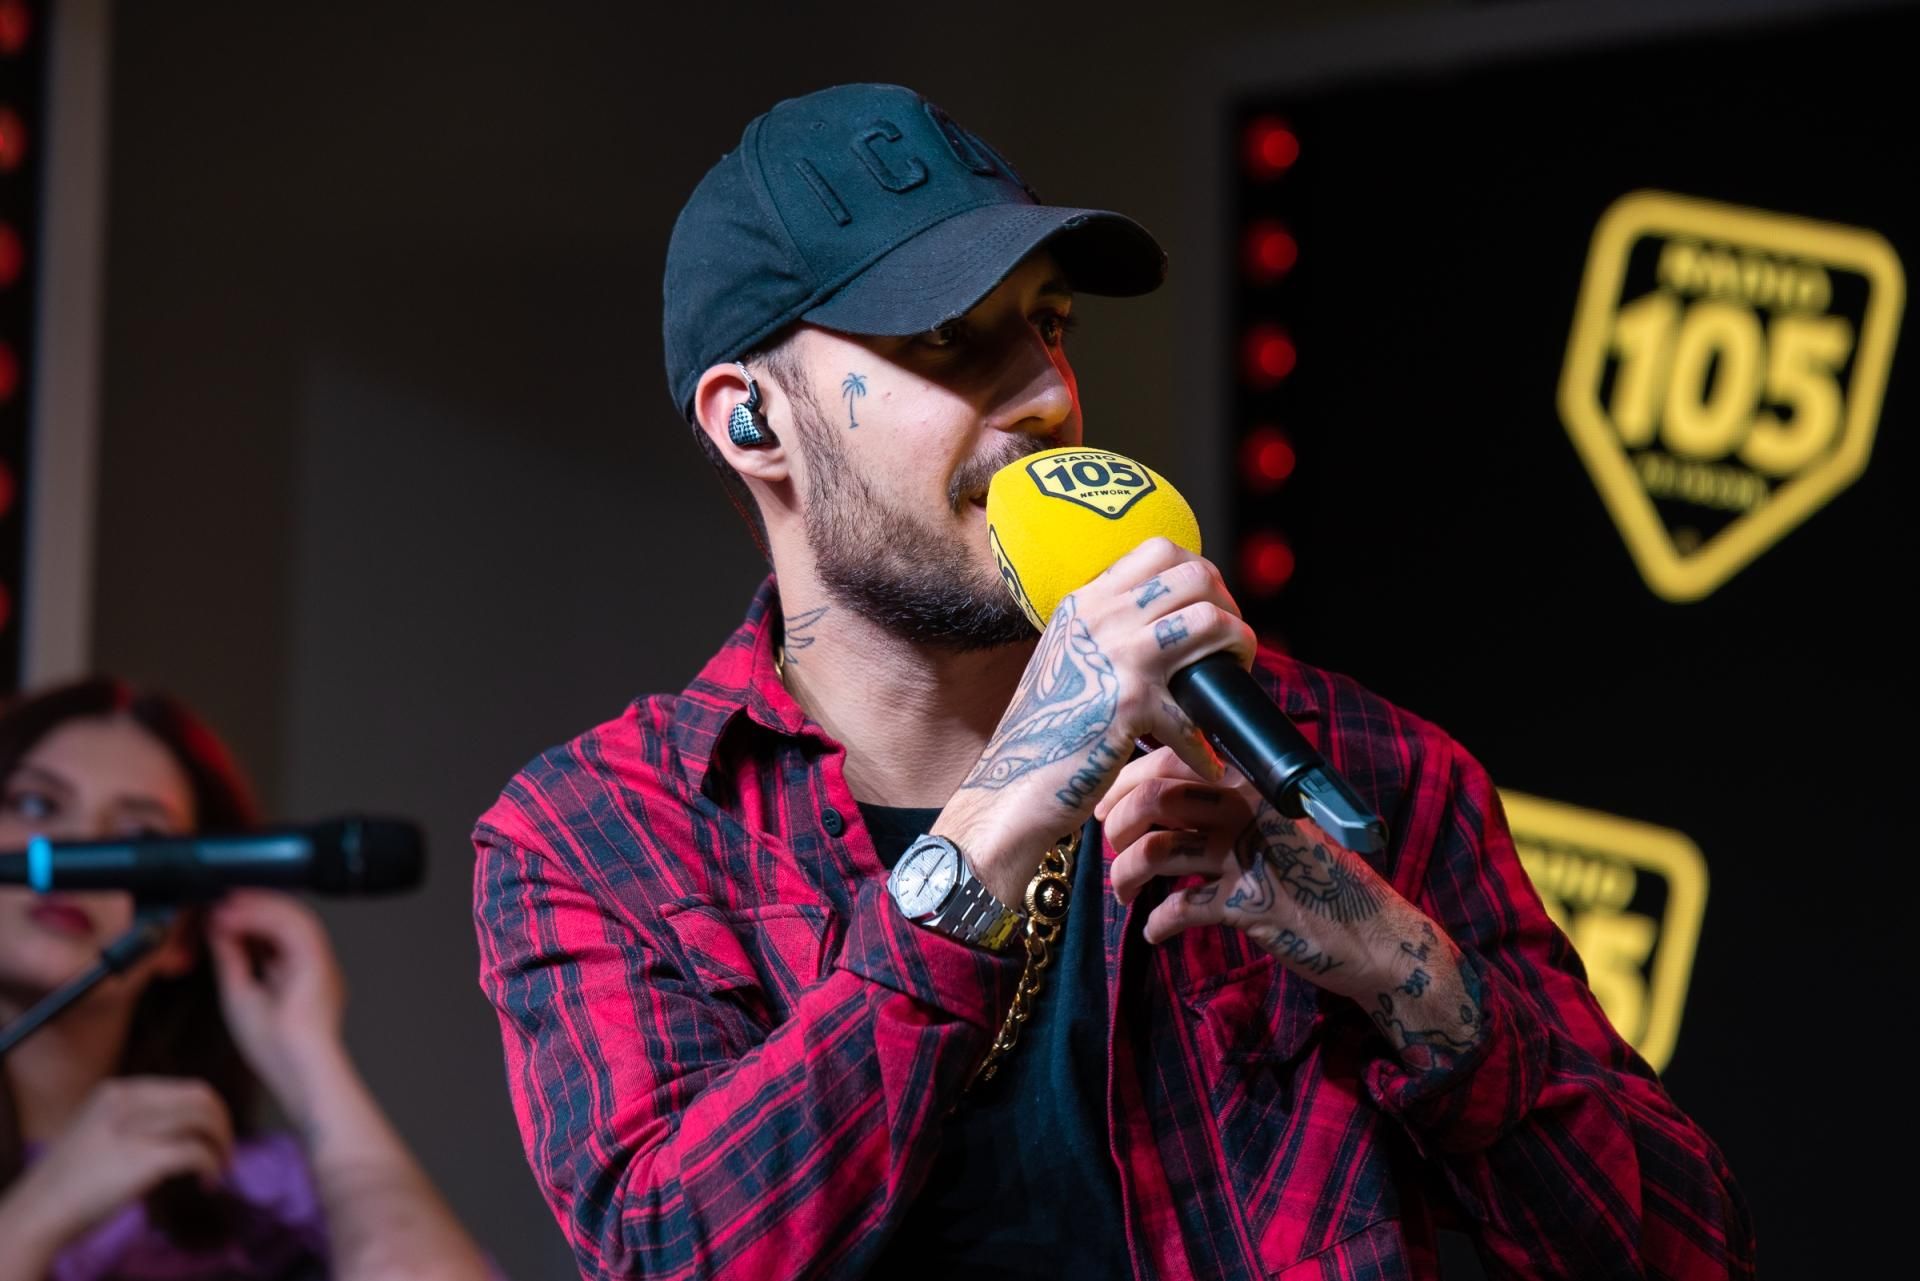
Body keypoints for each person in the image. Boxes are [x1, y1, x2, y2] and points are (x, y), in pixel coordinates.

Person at [471, 83, 1755, 1279]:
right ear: (751, 421)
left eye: (1049, 326)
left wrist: (1404, 970)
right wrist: (1011, 805)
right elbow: (678, 1254)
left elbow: (1689, 1251)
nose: (1045, 395)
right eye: (948, 339)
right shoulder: (602, 835)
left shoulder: (1352, 761)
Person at [0, 678, 496, 1281]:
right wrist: (39, 1214)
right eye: (36, 805)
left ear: (183, 937)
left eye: (140, 837)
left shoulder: (256, 1192)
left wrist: (309, 1056)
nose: (80, 846)